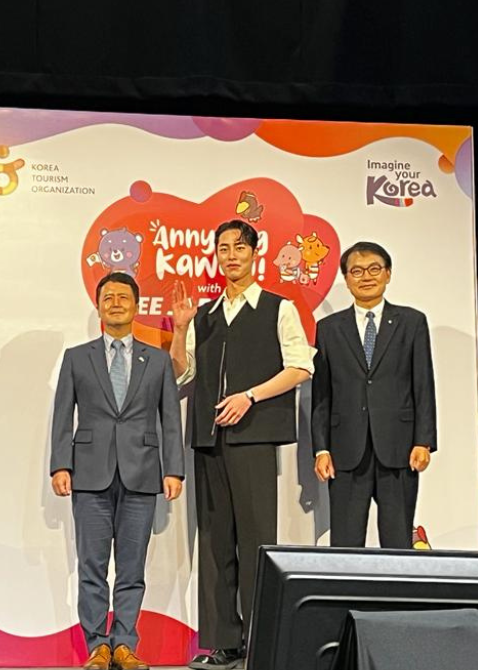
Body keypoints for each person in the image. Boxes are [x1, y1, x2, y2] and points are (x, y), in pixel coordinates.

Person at [170, 220, 314, 670]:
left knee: (255, 540)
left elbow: (300, 367)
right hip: (209, 439)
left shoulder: (278, 307)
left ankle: (260, 640)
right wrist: (179, 329)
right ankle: (224, 642)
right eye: (223, 248)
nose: (230, 255)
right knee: (215, 542)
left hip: (253, 437)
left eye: (239, 247)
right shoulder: (205, 315)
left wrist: (250, 396)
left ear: (256, 253)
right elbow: (182, 373)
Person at [51, 272, 185, 670]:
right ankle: (97, 646)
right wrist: (61, 464)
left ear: (136, 305)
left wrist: (173, 469)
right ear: (98, 306)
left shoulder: (158, 360)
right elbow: (62, 416)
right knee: (91, 566)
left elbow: (170, 419)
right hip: (89, 475)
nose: (115, 302)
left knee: (131, 568)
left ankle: (124, 643)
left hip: (142, 474)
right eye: (107, 297)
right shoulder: (77, 357)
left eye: (123, 297)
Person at [311, 241, 437, 548]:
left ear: (388, 274)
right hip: (346, 451)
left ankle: (397, 597)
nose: (366, 277)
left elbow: (423, 384)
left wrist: (424, 441)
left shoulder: (411, 322)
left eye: (374, 269)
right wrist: (321, 449)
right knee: (345, 541)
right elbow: (321, 395)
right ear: (346, 278)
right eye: (356, 271)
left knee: (398, 541)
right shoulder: (328, 328)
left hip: (399, 447)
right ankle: (346, 597)